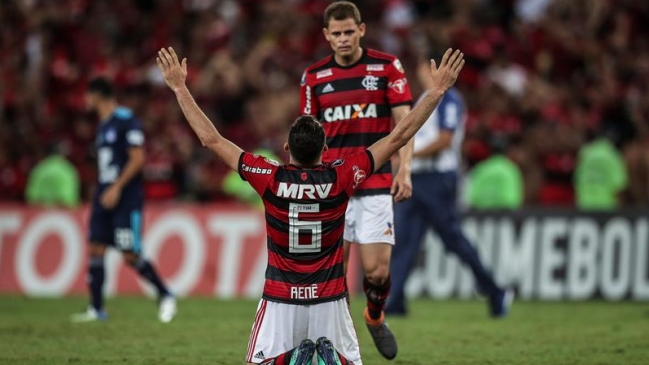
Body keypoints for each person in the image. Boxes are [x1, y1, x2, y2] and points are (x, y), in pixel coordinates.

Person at [156, 45, 463, 365]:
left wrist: (179, 87)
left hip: (280, 299)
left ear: (287, 147)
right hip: (330, 300)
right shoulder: (343, 176)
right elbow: (399, 136)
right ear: (326, 148)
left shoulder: (269, 176)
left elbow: (212, 140)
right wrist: (437, 91)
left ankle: (292, 359)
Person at [299, 2, 413, 359]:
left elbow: (404, 122)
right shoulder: (314, 77)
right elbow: (307, 134)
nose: (344, 39)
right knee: (332, 277)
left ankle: (374, 316)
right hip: (332, 185)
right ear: (326, 36)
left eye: (350, 31)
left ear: (361, 30)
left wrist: (405, 168)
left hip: (376, 181)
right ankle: (339, 345)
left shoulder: (385, 67)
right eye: (337, 33)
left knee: (376, 273)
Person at [386, 60, 514, 318]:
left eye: (424, 67)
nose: (420, 73)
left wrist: (407, 157)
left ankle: (495, 291)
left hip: (437, 178)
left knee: (452, 239)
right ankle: (395, 301)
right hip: (416, 178)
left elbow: (445, 140)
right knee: (404, 242)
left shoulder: (449, 99)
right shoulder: (424, 99)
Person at [70, 78, 177, 323]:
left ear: (97, 95)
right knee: (95, 247)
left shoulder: (126, 120)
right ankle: (96, 309)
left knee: (129, 253)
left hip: (125, 197)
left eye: (87, 95)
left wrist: (117, 187)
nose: (85, 101)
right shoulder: (102, 125)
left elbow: (138, 158)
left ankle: (165, 293)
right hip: (104, 194)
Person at [574, 130, 628, 210]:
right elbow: (620, 185)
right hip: (607, 205)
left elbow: (577, 179)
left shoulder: (584, 153)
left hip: (584, 204)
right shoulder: (613, 155)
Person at [468, 135, 524, 210]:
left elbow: (473, 198)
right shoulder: (510, 169)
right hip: (505, 216)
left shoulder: (481, 168)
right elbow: (513, 200)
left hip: (481, 216)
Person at [26, 143, 80, 207]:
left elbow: (31, 197)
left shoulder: (39, 169)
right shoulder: (68, 170)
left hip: (40, 213)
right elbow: (70, 200)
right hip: (63, 213)